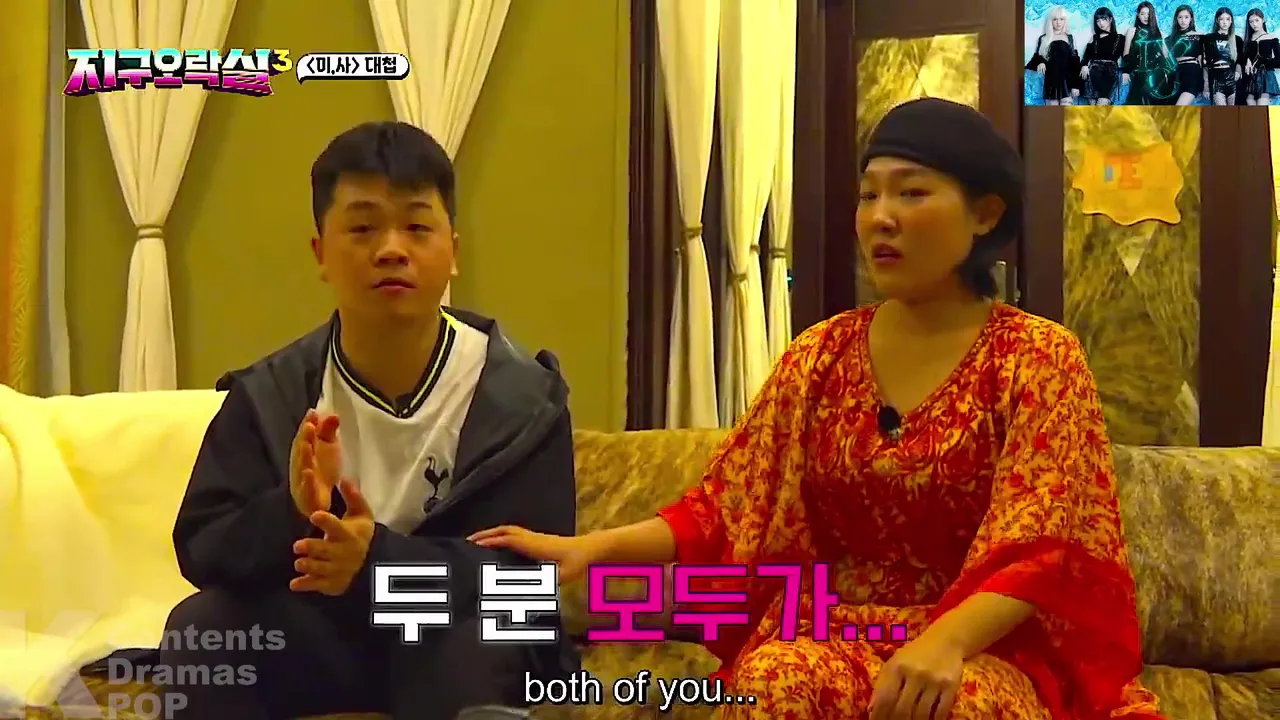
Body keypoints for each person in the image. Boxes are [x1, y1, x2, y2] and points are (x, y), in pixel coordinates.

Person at [469, 99, 1167, 720]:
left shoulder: (1036, 356)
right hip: (835, 632)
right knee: (773, 682)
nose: (881, 217)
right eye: (869, 195)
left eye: (912, 192)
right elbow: (724, 507)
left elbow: (1039, 545)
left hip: (982, 647)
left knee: (949, 704)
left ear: (985, 214)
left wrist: (945, 642)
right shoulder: (822, 353)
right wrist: (592, 549)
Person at [158, 121, 579, 719]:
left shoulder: (523, 398)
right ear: (320, 253)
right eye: (362, 228)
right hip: (330, 627)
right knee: (201, 634)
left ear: (454, 252)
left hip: (452, 623)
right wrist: (291, 512)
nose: (391, 249)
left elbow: (532, 578)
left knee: (495, 633)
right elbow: (202, 550)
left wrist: (379, 562)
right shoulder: (271, 395)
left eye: (417, 227)